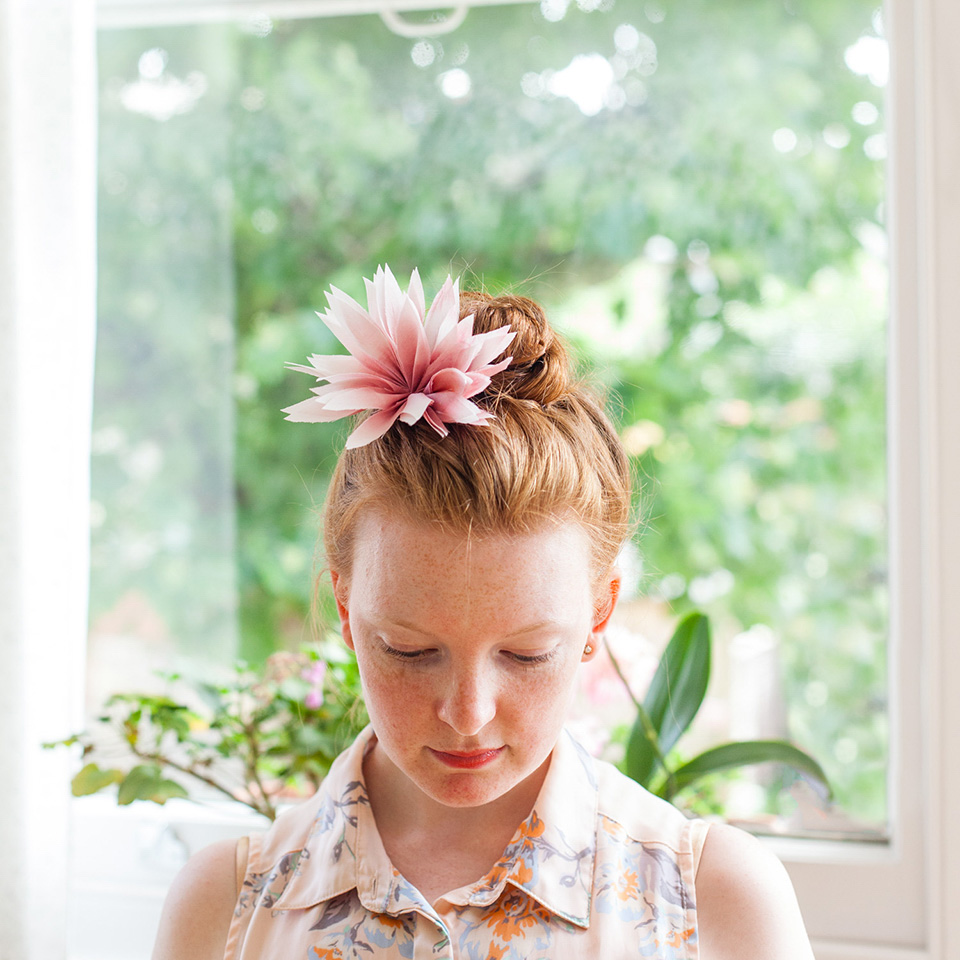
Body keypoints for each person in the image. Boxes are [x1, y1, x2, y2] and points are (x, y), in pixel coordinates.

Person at [152, 267, 814, 960]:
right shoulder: (227, 909)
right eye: (408, 650)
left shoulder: (716, 906)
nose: (468, 714)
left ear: (598, 615)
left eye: (526, 654)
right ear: (346, 608)